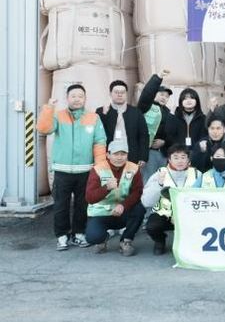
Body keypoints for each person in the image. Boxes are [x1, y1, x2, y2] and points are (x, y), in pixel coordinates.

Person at [37, 84, 107, 251]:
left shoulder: (93, 117)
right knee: (61, 205)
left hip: (85, 171)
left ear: (85, 99)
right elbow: (43, 128)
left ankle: (79, 233)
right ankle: (62, 236)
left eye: (80, 96)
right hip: (63, 171)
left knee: (82, 205)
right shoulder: (58, 115)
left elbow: (99, 142)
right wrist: (49, 108)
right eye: (73, 96)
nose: (77, 99)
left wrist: (99, 167)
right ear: (67, 98)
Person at [84, 140, 145, 256]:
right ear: (108, 155)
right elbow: (89, 198)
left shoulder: (134, 168)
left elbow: (138, 192)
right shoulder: (97, 169)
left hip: (123, 211)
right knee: (93, 237)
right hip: (101, 212)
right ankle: (102, 239)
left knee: (140, 209)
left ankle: (126, 241)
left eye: (123, 154)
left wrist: (123, 205)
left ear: (127, 155)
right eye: (116, 154)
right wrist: (106, 188)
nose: (119, 157)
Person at [142, 144, 201, 255]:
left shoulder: (197, 174)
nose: (180, 161)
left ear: (188, 160)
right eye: (176, 157)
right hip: (165, 213)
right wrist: (159, 184)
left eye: (183, 157)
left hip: (189, 213)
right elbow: (146, 202)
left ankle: (192, 242)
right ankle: (160, 241)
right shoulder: (160, 173)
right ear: (169, 159)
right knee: (152, 226)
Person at [136, 71, 181, 182]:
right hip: (148, 153)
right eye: (161, 94)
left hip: (163, 154)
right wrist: (158, 77)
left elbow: (173, 134)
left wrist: (164, 142)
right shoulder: (146, 107)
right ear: (154, 94)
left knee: (163, 181)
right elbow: (146, 94)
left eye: (167, 96)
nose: (164, 97)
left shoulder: (170, 113)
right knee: (148, 181)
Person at [96, 80, 149, 167]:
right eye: (116, 92)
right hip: (108, 156)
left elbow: (144, 136)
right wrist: (104, 115)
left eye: (122, 92)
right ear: (110, 94)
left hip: (131, 155)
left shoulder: (136, 112)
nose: (119, 95)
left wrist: (143, 157)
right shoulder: (101, 111)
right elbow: (98, 134)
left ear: (126, 94)